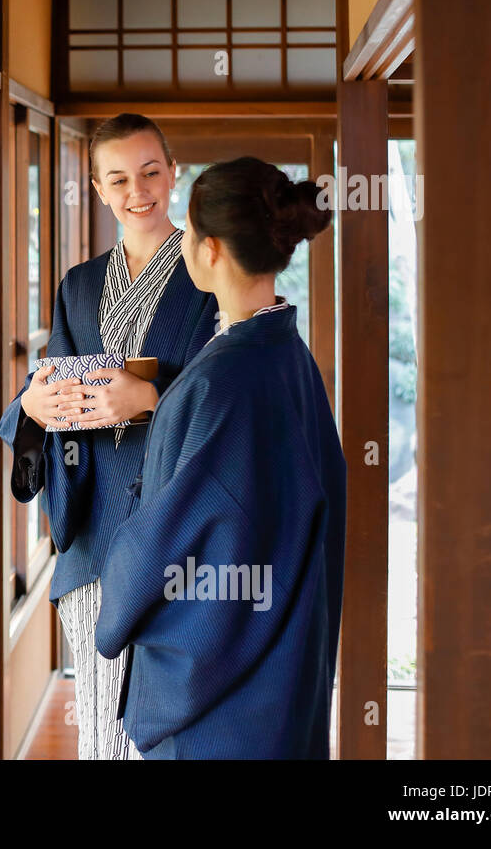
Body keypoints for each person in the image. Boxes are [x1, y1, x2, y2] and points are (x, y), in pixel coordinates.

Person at [94, 156, 346, 759]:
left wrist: (118, 593)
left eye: (186, 230)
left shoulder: (224, 379)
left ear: (210, 250)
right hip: (282, 656)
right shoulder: (285, 353)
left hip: (227, 697)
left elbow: (169, 536)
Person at [0, 113, 218, 759]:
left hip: (180, 533)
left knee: (174, 721)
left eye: (151, 171)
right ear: (96, 188)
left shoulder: (210, 273)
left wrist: (151, 396)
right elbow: (55, 388)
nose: (137, 190)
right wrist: (32, 405)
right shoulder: (80, 286)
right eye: (118, 178)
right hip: (94, 538)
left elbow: (235, 397)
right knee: (100, 725)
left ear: (174, 173)